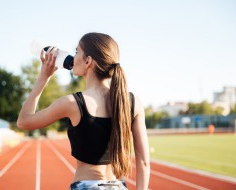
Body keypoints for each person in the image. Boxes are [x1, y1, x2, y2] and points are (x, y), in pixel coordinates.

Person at [17, 32, 150, 190]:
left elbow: (24, 122)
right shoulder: (133, 103)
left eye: (76, 52)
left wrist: (43, 78)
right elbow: (143, 161)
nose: (73, 58)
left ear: (88, 61)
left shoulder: (72, 103)